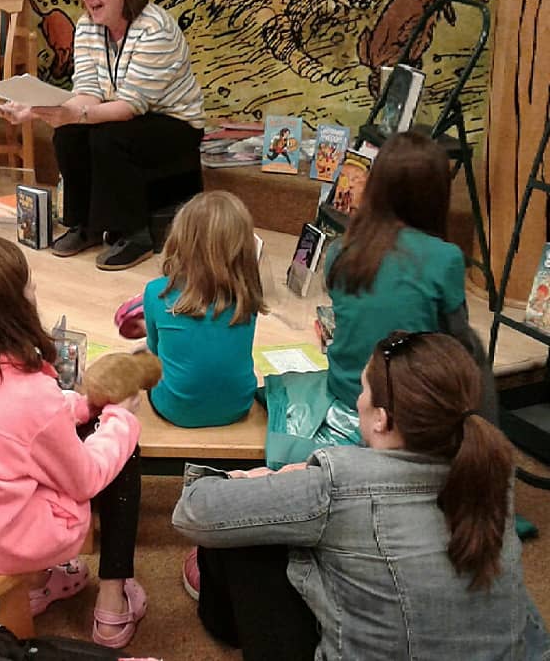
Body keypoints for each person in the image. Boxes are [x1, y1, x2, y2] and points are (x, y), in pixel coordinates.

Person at [172, 332, 550, 661]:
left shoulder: (341, 481)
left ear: (382, 418)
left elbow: (194, 510)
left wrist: (252, 479)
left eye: (363, 390)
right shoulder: (492, 470)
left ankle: (223, 625)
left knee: (245, 534)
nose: (357, 402)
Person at [0, 236, 146, 649]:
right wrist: (119, 418)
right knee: (120, 453)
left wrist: (81, 405)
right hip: (9, 542)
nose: (35, 291)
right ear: (9, 313)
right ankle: (111, 602)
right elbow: (85, 479)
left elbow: (15, 424)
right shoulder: (29, 393)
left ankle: (39, 582)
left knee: (15, 459)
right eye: (28, 287)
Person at [261, 131, 494, 465]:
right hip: (410, 410)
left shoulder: (342, 250)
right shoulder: (446, 258)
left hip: (348, 398)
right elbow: (456, 344)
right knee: (474, 352)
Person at [2, 0, 206, 271]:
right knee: (69, 132)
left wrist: (75, 113)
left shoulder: (155, 29)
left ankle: (134, 234)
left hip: (175, 123)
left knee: (107, 138)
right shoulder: (86, 28)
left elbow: (131, 106)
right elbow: (87, 93)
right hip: (123, 115)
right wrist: (35, 109)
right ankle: (85, 225)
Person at [144, 191, 264, 427]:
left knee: (142, 367)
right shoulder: (249, 296)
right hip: (239, 405)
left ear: (179, 240)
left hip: (175, 409)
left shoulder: (157, 293)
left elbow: (155, 353)